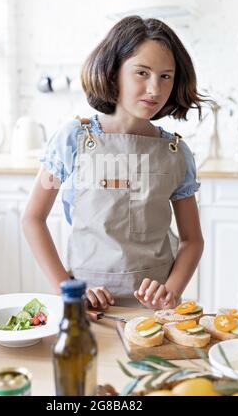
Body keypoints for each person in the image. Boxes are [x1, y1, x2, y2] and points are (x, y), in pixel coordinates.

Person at [22, 16, 206, 311]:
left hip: (153, 313)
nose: (154, 89)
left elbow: (192, 240)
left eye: (165, 76)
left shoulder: (176, 152)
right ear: (112, 72)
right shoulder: (71, 140)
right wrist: (67, 293)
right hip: (87, 308)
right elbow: (32, 219)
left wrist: (170, 291)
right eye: (142, 73)